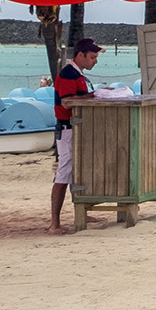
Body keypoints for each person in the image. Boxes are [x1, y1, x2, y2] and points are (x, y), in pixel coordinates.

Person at [48, 38, 102, 232]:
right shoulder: (68, 74)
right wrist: (90, 96)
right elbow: (66, 101)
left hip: (76, 127)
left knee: (79, 170)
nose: (95, 61)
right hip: (67, 128)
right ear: (81, 55)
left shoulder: (77, 74)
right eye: (93, 57)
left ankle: (82, 211)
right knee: (63, 173)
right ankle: (55, 223)